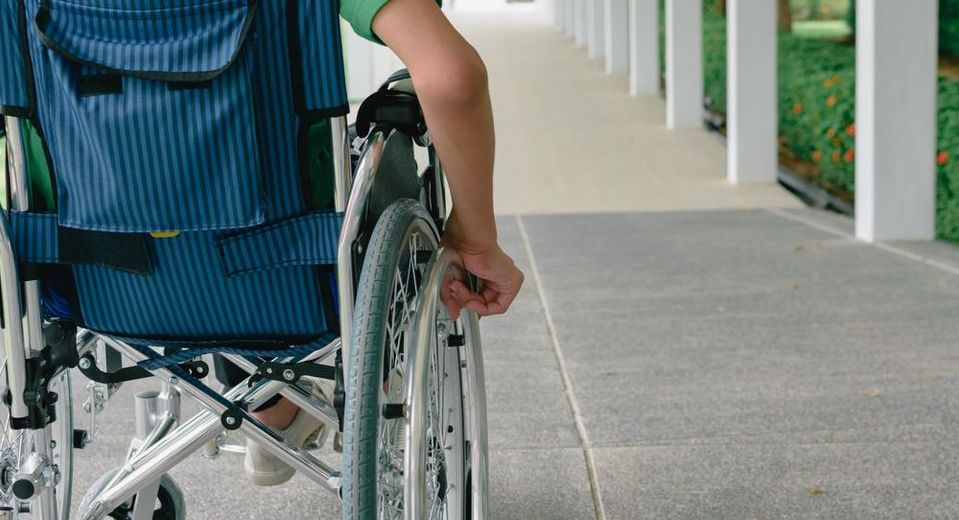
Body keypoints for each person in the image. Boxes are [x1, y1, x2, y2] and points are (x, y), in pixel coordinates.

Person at [244, 0, 525, 485]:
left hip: (99, 275)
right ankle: (357, 382)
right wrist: (477, 237)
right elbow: (452, 78)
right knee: (371, 172)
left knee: (179, 195)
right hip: (288, 248)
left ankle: (267, 403)